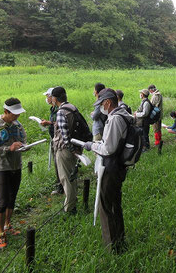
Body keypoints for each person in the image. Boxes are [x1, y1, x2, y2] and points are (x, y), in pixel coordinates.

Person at [82, 88, 132, 253]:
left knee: (106, 206)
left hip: (111, 167)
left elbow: (108, 148)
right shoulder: (122, 115)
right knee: (114, 204)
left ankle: (112, 247)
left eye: (101, 103)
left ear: (108, 102)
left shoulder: (116, 119)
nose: (101, 107)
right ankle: (120, 239)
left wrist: (92, 146)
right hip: (117, 166)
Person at [0, 97, 27, 249]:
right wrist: (8, 149)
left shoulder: (18, 124)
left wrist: (24, 146)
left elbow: (23, 139)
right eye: (14, 114)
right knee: (2, 201)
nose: (17, 117)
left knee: (12, 198)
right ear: (5, 112)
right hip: (2, 167)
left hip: (17, 165)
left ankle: (8, 225)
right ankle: (0, 233)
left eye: (18, 114)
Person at [51, 86, 80, 214]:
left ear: (55, 98)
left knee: (66, 178)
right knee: (72, 176)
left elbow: (65, 135)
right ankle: (73, 200)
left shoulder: (61, 112)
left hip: (65, 149)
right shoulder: (72, 107)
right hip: (74, 147)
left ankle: (69, 208)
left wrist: (70, 149)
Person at [40, 88, 64, 195]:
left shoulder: (59, 109)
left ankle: (62, 187)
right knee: (56, 163)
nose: (47, 98)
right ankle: (60, 185)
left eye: (48, 96)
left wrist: (49, 123)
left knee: (59, 164)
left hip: (59, 140)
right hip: (54, 138)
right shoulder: (53, 109)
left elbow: (59, 123)